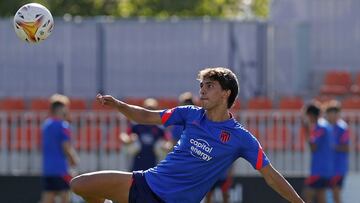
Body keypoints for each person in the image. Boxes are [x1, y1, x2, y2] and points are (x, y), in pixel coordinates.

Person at [70, 67, 304, 203]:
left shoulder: (242, 138)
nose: (202, 90)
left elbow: (272, 177)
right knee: (80, 185)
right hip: (147, 183)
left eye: (209, 85)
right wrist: (118, 104)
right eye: (202, 85)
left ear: (226, 94)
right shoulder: (189, 114)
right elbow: (146, 116)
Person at [40, 94, 79, 203]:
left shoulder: (46, 125)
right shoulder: (63, 125)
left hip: (47, 169)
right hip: (61, 169)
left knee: (47, 197)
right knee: (65, 197)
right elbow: (66, 146)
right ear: (62, 109)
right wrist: (73, 159)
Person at [120, 98, 168, 171]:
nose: (149, 111)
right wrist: (129, 140)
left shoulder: (159, 128)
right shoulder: (136, 125)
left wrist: (165, 146)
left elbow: (167, 142)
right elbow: (124, 136)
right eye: (147, 108)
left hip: (153, 164)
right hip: (137, 164)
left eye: (152, 109)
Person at [302, 101, 335, 203]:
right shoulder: (325, 126)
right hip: (326, 168)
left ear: (311, 115)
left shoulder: (320, 127)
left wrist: (307, 131)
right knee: (321, 196)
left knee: (307, 194)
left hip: (320, 169)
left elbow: (313, 147)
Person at [325, 100, 349, 203]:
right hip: (328, 168)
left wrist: (332, 147)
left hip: (339, 168)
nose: (332, 116)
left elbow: (346, 148)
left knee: (335, 194)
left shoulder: (342, 128)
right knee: (328, 196)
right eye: (330, 113)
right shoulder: (326, 127)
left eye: (335, 113)